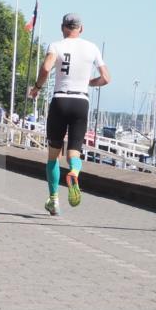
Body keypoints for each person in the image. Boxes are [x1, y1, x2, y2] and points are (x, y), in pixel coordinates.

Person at [29, 13, 110, 216]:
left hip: (60, 101)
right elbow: (106, 78)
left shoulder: (56, 46)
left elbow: (47, 67)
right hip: (81, 101)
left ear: (62, 28)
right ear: (81, 29)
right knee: (74, 151)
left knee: (53, 155)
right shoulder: (92, 48)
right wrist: (90, 83)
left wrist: (37, 86)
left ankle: (54, 199)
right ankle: (74, 172)